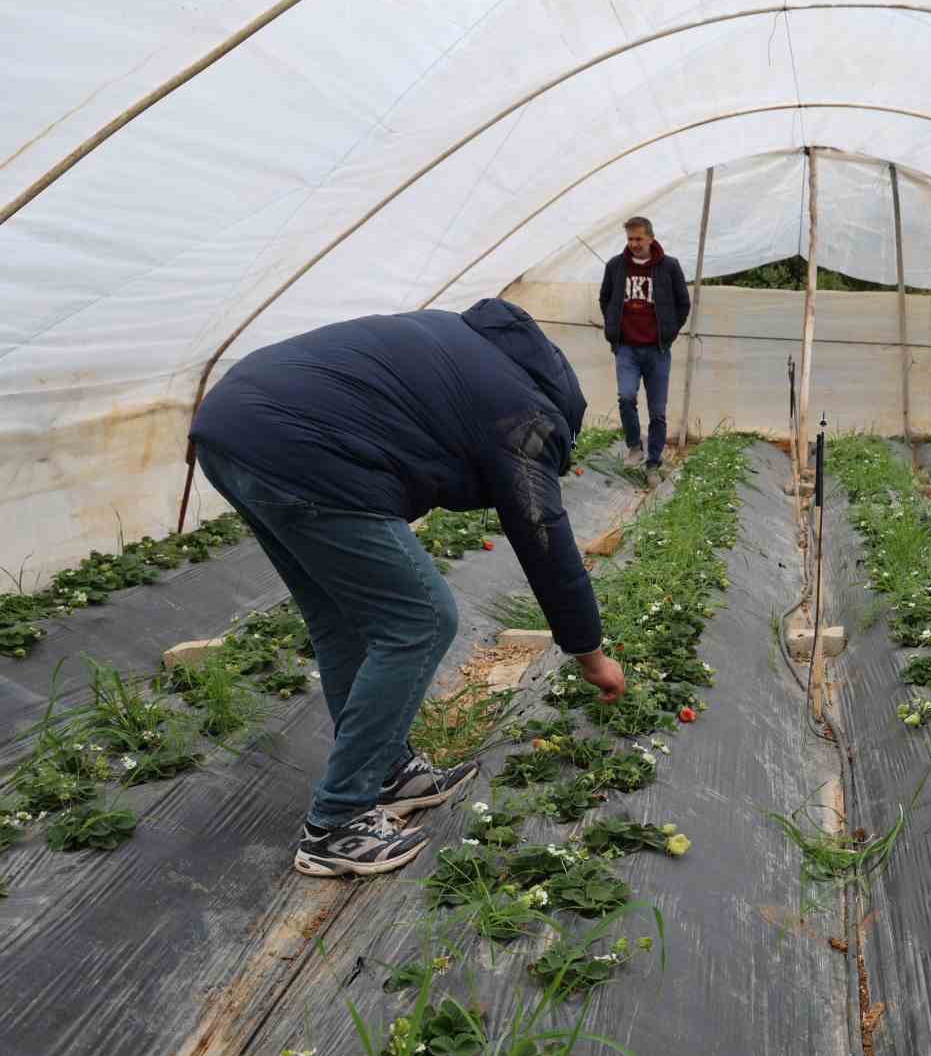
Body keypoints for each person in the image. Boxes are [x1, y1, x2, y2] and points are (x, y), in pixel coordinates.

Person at [189, 298, 626, 877]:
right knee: (422, 618)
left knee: (343, 619)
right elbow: (543, 536)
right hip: (299, 450)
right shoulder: (524, 418)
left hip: (230, 429)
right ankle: (337, 823)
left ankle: (389, 772)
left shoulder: (462, 347)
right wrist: (590, 654)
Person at [598, 216, 691, 480]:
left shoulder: (669, 267)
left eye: (639, 238)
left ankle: (653, 464)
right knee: (626, 397)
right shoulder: (616, 266)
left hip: (657, 350)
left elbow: (683, 303)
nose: (634, 244)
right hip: (627, 348)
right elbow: (605, 298)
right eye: (630, 239)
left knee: (657, 411)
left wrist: (669, 332)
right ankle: (634, 446)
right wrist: (614, 329)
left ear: (650, 237)